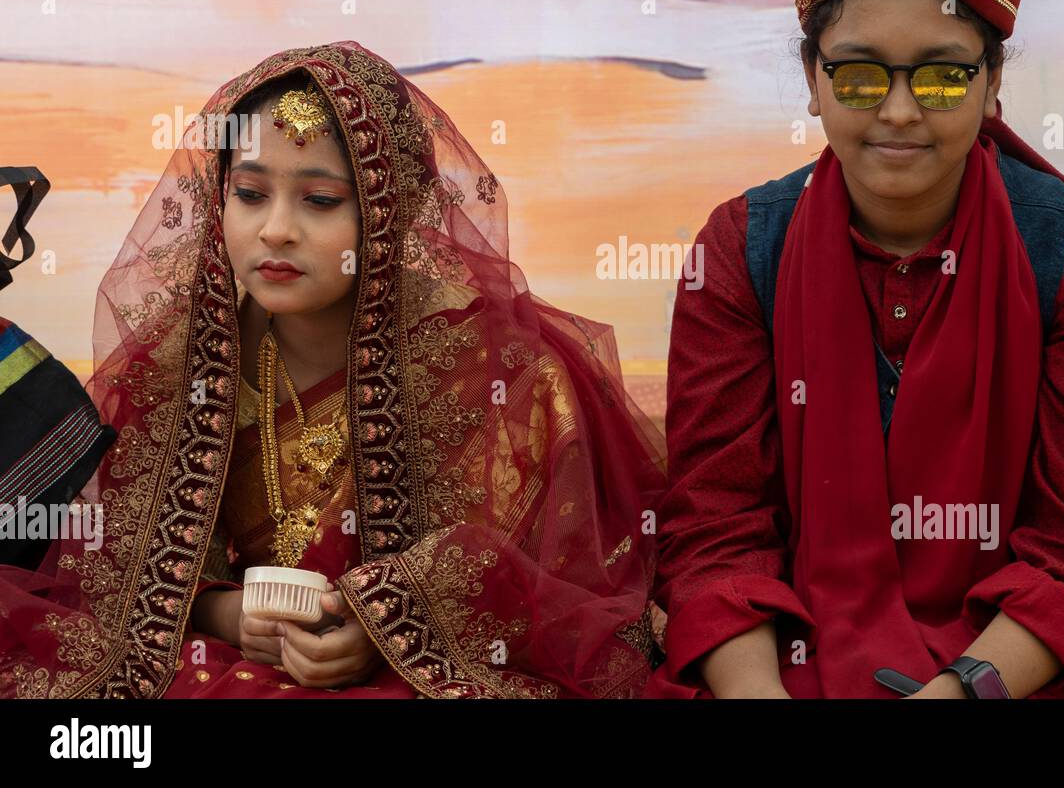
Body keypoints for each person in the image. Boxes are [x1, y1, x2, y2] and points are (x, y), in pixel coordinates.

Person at [647, 0, 1064, 699]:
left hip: (1011, 674)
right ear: (812, 81)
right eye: (857, 74)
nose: (897, 110)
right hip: (784, 662)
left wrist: (962, 691)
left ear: (993, 83)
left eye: (941, 73)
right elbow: (717, 530)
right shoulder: (740, 250)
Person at [0, 41, 666, 698]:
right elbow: (119, 583)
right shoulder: (177, 372)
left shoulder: (505, 375)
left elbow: (580, 605)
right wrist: (225, 613)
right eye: (251, 193)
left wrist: (390, 624)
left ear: (388, 210)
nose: (276, 230)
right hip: (230, 664)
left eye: (319, 200)